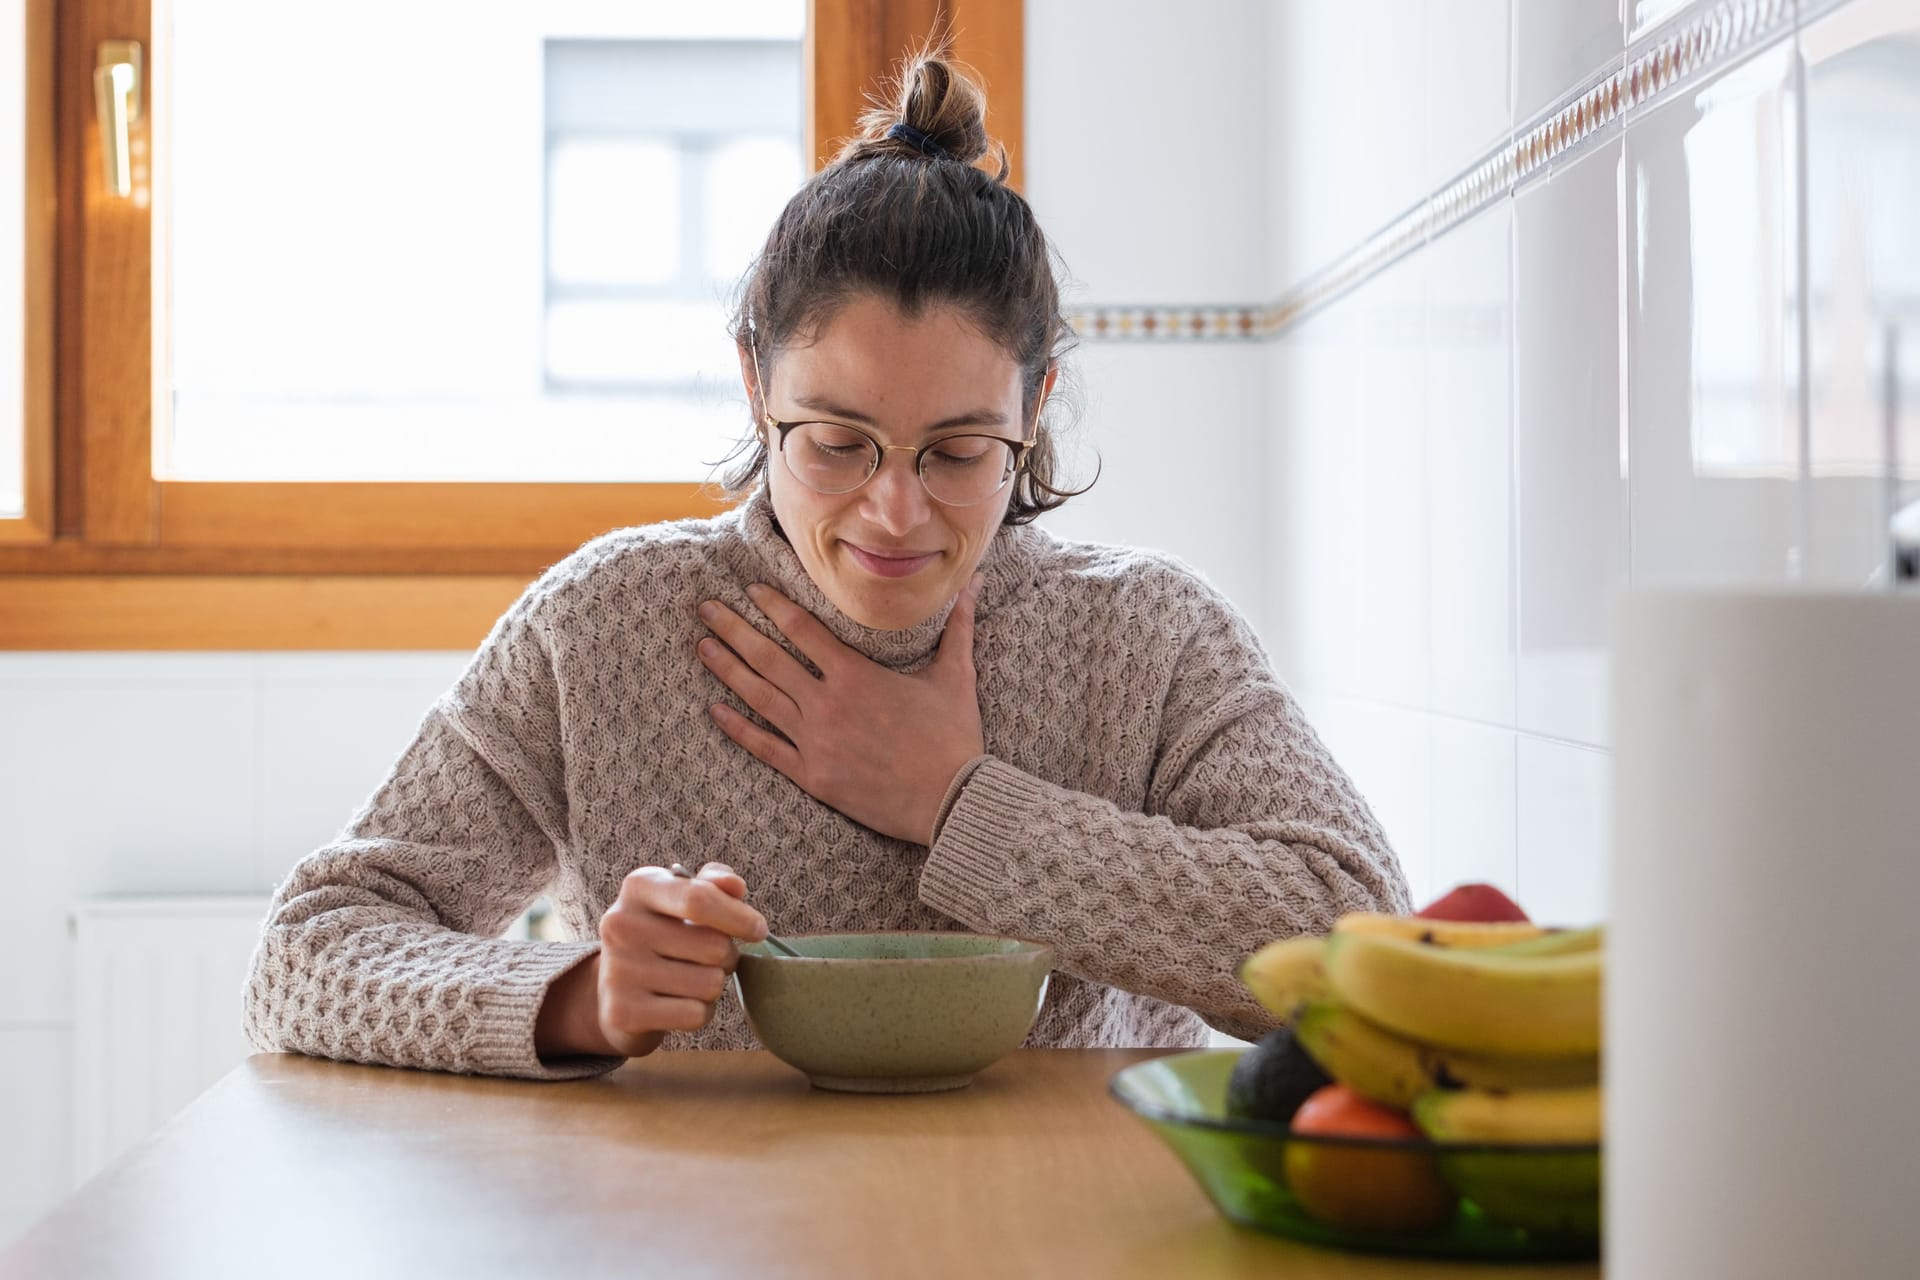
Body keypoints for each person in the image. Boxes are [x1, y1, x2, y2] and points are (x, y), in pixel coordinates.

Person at [242, 52, 1410, 1080]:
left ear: (1037, 403)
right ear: (757, 386)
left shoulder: (1147, 637)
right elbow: (307, 949)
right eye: (838, 442)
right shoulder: (606, 625)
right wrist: (576, 998)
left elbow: (1370, 951)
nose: (892, 510)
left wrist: (961, 806)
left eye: (958, 450)